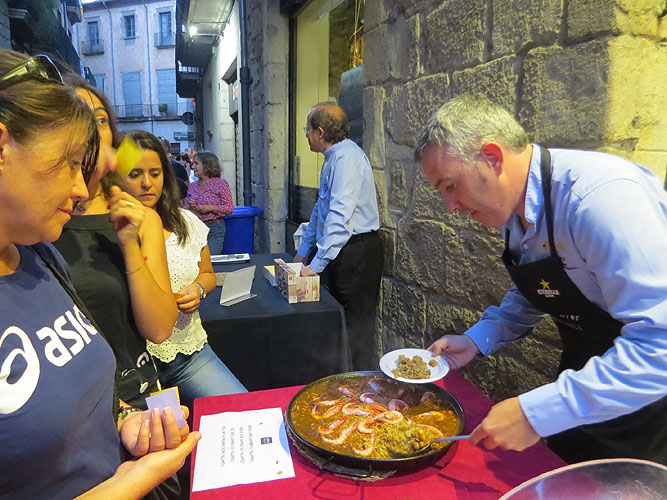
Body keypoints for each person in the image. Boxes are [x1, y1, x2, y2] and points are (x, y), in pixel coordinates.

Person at [414, 94, 667, 464]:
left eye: (450, 186)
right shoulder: (514, 209)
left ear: (492, 158)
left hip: (644, 396)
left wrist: (538, 412)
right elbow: (540, 288)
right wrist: (478, 339)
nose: (449, 207)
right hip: (582, 374)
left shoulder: (599, 200)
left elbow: (660, 345)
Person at [0, 49, 198, 499]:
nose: (79, 186)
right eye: (70, 162)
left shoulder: (40, 257)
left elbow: (99, 388)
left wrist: (126, 420)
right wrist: (125, 486)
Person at [54, 74, 178, 409]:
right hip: (68, 406)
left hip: (138, 392)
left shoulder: (140, 218)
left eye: (101, 120)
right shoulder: (41, 221)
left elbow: (160, 329)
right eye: (78, 116)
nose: (92, 129)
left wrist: (129, 245)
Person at [122, 129, 247, 408]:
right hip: (136, 368)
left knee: (243, 411)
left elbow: (208, 274)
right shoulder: (110, 233)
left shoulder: (186, 222)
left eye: (155, 173)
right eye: (135, 174)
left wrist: (199, 288)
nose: (146, 183)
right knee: (170, 431)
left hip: (189, 354)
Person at [294, 102, 383, 370]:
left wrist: (316, 265)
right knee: (339, 322)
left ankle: (357, 385)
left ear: (320, 132)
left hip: (356, 252)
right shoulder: (334, 158)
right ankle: (340, 379)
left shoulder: (346, 160)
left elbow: (339, 217)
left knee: (355, 328)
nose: (306, 135)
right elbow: (321, 210)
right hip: (342, 249)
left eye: (307, 129)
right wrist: (303, 251)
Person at [185, 151, 234, 255]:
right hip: (196, 228)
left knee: (212, 258)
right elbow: (186, 207)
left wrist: (210, 208)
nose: (193, 167)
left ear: (207, 165)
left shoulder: (220, 184)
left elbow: (229, 207)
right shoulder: (193, 186)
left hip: (214, 228)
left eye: (196, 163)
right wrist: (190, 206)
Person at [158, 136, 189, 200]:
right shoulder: (148, 166)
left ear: (166, 148)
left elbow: (186, 187)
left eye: (159, 144)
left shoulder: (178, 166)